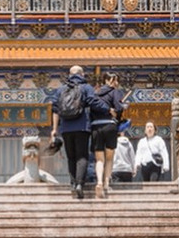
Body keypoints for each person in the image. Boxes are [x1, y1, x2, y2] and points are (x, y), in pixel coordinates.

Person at [49, 65, 96, 199]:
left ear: (69, 75)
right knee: (82, 156)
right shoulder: (86, 87)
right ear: (82, 74)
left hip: (66, 128)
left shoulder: (61, 89)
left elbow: (55, 109)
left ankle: (73, 183)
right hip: (82, 127)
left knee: (71, 157)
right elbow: (93, 103)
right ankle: (80, 184)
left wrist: (54, 129)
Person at [89, 71, 125, 198]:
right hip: (110, 125)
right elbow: (119, 108)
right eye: (115, 80)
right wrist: (118, 113)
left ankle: (98, 181)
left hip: (96, 127)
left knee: (99, 159)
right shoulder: (115, 92)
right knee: (109, 158)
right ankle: (106, 184)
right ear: (112, 81)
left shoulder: (95, 93)